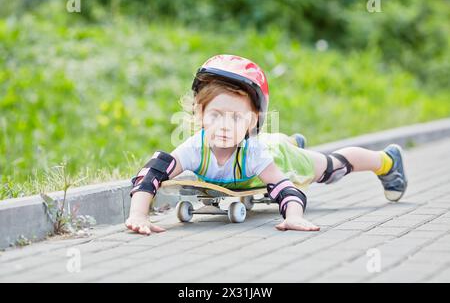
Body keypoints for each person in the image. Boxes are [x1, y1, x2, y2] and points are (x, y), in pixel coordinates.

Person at [125, 54, 408, 235]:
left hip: (278, 157)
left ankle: (387, 161)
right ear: (200, 114)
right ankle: (291, 141)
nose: (224, 126)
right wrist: (139, 214)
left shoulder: (254, 153)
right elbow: (152, 173)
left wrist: (294, 217)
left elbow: (285, 189)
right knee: (279, 147)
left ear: (252, 121)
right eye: (215, 115)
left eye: (236, 118)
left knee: (331, 167)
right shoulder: (193, 148)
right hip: (265, 149)